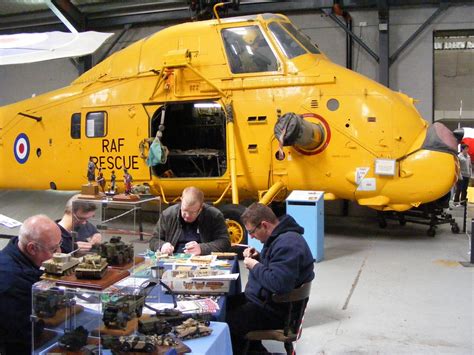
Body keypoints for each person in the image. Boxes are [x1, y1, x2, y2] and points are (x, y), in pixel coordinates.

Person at [225, 203, 314, 354]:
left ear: (264, 225)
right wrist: (259, 258)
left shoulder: (288, 244)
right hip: (266, 302)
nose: (251, 236)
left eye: (252, 232)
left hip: (278, 312)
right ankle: (256, 351)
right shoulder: (279, 238)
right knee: (223, 307)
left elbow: (279, 284)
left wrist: (255, 266)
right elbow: (276, 268)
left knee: (226, 323)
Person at [0, 215, 61, 354]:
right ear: (32, 248)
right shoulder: (12, 282)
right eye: (53, 249)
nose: (59, 253)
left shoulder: (16, 253)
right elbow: (27, 335)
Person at [149, 186, 230, 255]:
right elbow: (154, 240)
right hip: (174, 258)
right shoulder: (168, 214)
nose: (187, 216)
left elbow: (225, 242)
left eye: (192, 212)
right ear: (181, 201)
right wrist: (162, 245)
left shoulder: (214, 215)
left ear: (200, 208)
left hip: (202, 260)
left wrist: (202, 248)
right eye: (184, 210)